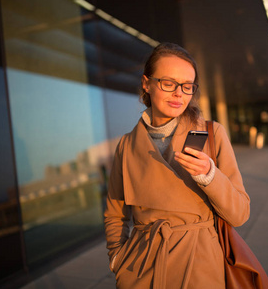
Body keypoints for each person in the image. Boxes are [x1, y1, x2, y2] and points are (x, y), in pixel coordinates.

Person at [104, 42, 250, 289]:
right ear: (146, 83)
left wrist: (209, 175)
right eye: (168, 83)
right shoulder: (127, 145)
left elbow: (240, 213)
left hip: (200, 265)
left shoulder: (212, 133)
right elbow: (115, 213)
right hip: (142, 267)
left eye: (187, 86)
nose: (178, 94)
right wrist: (117, 259)